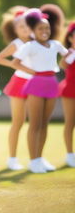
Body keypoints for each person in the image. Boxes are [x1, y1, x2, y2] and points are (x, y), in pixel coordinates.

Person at [13, 8, 68, 173]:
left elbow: (68, 56)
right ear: (33, 30)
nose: (44, 31)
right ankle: (33, 160)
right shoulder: (30, 46)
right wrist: (34, 72)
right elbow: (16, 63)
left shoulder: (56, 45)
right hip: (36, 84)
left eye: (47, 28)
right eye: (40, 28)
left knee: (44, 124)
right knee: (35, 124)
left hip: (52, 83)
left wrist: (61, 65)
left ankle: (40, 158)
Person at [0, 7, 32, 170]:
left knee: (36, 123)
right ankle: (12, 159)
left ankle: (35, 158)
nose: (25, 29)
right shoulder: (16, 43)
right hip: (19, 83)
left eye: (27, 25)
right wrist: (17, 65)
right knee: (18, 122)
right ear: (15, 30)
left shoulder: (37, 41)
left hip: (36, 84)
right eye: (21, 27)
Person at [59, 22, 75, 167]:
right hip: (70, 90)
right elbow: (62, 65)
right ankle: (70, 155)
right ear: (70, 38)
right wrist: (70, 54)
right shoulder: (69, 53)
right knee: (70, 122)